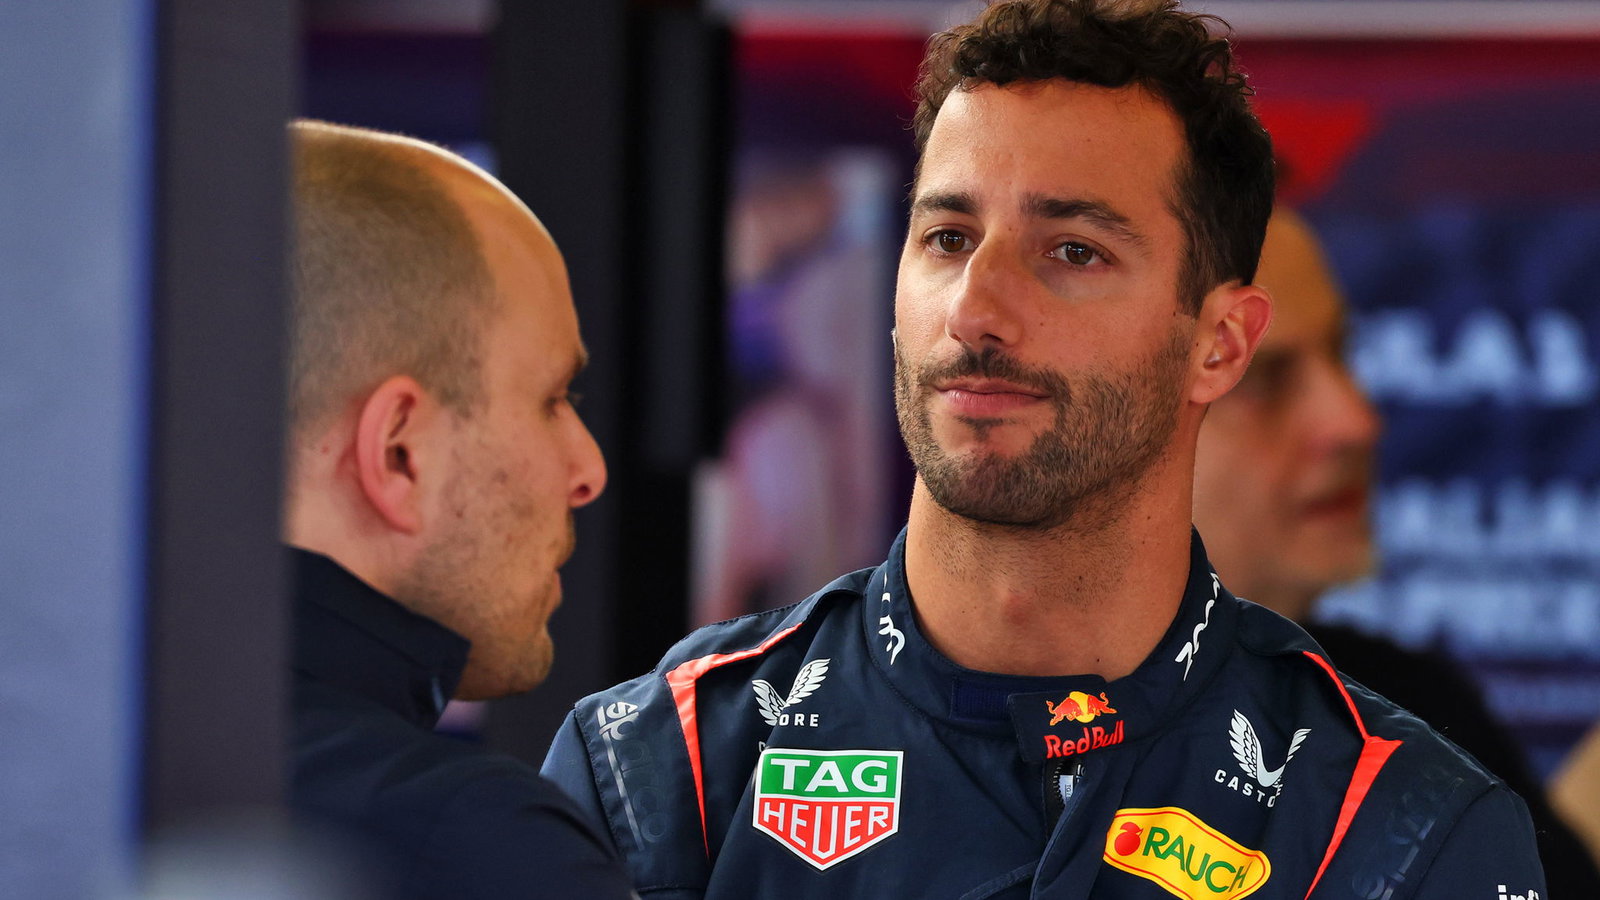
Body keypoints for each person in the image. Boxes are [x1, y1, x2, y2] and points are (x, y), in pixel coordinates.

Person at [543, 2, 1546, 897]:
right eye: (947, 238)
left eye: (1072, 251)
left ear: (1219, 344)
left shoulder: (1399, 835)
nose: (975, 308)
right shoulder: (663, 774)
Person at [1194, 207, 1600, 895]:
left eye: (1341, 352)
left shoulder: (1413, 710)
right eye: (1264, 378)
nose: (1355, 420)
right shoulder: (1023, 732)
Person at [283, 119, 635, 899]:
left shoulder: (62, 755)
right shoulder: (475, 847)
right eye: (554, 399)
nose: (589, 471)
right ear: (399, 453)